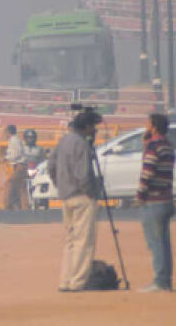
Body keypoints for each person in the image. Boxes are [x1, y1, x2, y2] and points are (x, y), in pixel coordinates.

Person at [53, 109, 102, 292]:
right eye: (93, 127)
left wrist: (61, 184)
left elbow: (51, 165)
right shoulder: (81, 144)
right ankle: (78, 281)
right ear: (87, 126)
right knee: (83, 241)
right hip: (82, 197)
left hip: (66, 196)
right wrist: (89, 191)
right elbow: (83, 174)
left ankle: (65, 281)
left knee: (70, 241)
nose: (94, 130)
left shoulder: (64, 141)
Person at [136, 113, 176, 292]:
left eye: (148, 123)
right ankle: (165, 279)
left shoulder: (154, 146)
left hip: (154, 200)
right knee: (164, 242)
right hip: (167, 198)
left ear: (153, 126)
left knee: (155, 242)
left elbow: (147, 172)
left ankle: (160, 281)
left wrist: (140, 193)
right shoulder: (168, 146)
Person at [2, 125, 28, 210]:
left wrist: (6, 158)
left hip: (20, 167)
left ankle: (7, 206)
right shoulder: (14, 140)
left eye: (5, 132)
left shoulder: (14, 140)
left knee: (9, 184)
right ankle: (23, 207)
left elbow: (16, 154)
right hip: (20, 166)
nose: (4, 135)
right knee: (20, 188)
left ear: (9, 132)